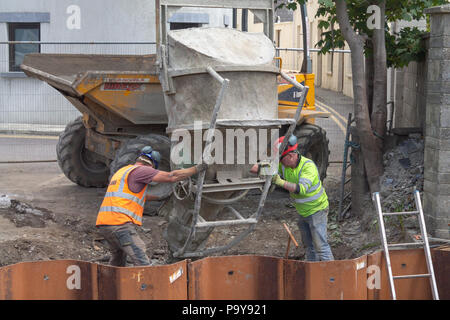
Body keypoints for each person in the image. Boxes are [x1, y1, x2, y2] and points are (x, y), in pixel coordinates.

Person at [96, 146, 205, 267]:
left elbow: (139, 196)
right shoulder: (142, 170)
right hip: (119, 225)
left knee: (118, 259)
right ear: (152, 165)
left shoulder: (123, 172)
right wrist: (197, 168)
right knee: (140, 256)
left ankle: (112, 283)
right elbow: (172, 176)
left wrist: (161, 197)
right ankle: (147, 285)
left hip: (105, 225)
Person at [251, 135, 334, 261]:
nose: (279, 162)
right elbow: (258, 169)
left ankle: (331, 278)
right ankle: (312, 272)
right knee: (309, 246)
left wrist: (279, 181)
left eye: (281, 159)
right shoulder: (284, 165)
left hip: (317, 211)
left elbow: (301, 189)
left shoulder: (308, 167)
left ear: (290, 156)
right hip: (303, 212)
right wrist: (255, 165)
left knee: (321, 247)